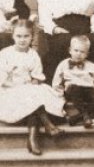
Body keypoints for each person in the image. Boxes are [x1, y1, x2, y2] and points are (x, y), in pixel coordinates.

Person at [0, 20, 65, 155]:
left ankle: (32, 140)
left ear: (31, 37)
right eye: (19, 36)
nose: (22, 40)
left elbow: (36, 76)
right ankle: (48, 125)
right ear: (13, 36)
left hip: (27, 89)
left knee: (33, 96)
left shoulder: (33, 54)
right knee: (30, 97)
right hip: (8, 91)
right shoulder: (5, 54)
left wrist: (32, 85)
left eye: (26, 36)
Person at [52, 35, 94, 128]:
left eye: (82, 52)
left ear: (87, 54)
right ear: (70, 50)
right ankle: (85, 115)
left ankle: (77, 118)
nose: (79, 54)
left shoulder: (91, 66)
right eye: (76, 50)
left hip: (88, 90)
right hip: (73, 90)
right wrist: (59, 97)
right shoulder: (63, 64)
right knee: (75, 89)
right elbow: (57, 82)